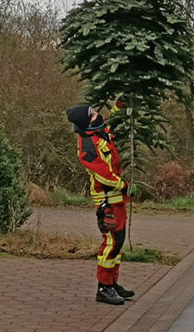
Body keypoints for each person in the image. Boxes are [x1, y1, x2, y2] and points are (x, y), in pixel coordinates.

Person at [66, 103, 137, 305]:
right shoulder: (88, 144)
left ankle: (113, 283)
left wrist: (122, 103)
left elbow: (112, 123)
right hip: (107, 200)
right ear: (87, 121)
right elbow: (103, 174)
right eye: (94, 113)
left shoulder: (100, 132)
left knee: (118, 241)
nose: (98, 115)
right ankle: (103, 287)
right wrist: (124, 185)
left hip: (117, 198)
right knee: (111, 243)